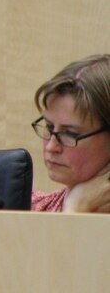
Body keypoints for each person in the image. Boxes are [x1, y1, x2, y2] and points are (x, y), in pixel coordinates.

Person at [30, 54, 110, 213]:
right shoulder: (29, 208)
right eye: (49, 127)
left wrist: (76, 210)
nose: (51, 147)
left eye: (71, 134)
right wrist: (76, 207)